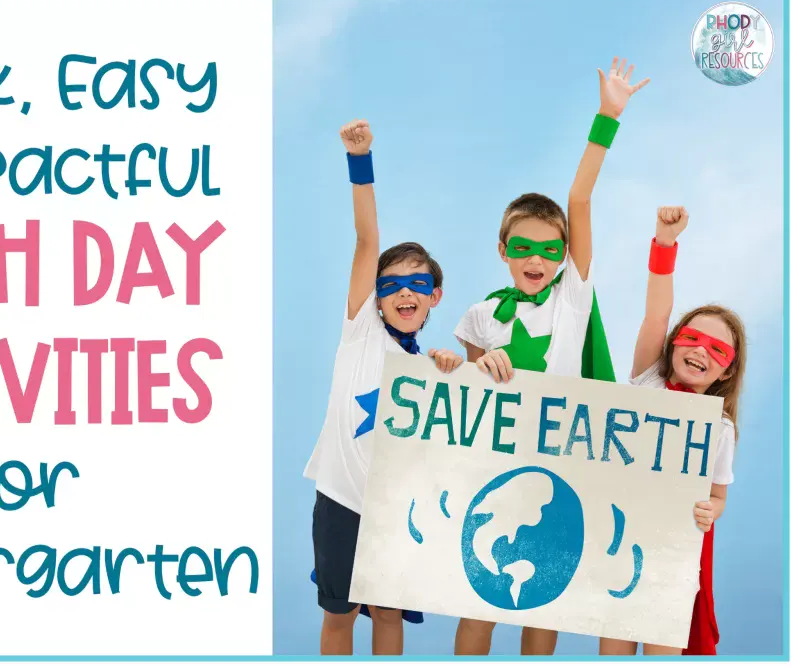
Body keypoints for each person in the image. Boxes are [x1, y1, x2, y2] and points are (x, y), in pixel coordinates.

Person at [452, 57, 649, 656]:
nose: (536, 259)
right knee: (478, 597)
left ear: (565, 255)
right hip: (496, 464)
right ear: (503, 250)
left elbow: (579, 199)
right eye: (522, 247)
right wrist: (477, 363)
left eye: (549, 248)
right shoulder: (482, 313)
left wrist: (606, 117)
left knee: (545, 600)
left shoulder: (572, 297)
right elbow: (462, 390)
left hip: (562, 462)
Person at [303, 118, 463, 655]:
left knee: (389, 612)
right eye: (390, 285)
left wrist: (459, 365)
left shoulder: (436, 368)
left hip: (398, 505)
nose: (403, 293)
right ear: (374, 297)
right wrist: (361, 161)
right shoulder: (361, 332)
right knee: (340, 613)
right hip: (341, 499)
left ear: (434, 296)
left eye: (417, 284)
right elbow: (367, 238)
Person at [599, 206, 745, 656]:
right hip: (620, 546)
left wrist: (710, 511)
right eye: (693, 339)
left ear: (726, 371)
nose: (702, 352)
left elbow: (718, 497)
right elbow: (656, 315)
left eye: (717, 350)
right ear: (674, 341)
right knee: (615, 651)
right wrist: (664, 245)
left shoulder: (719, 428)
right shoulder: (649, 379)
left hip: (674, 554)